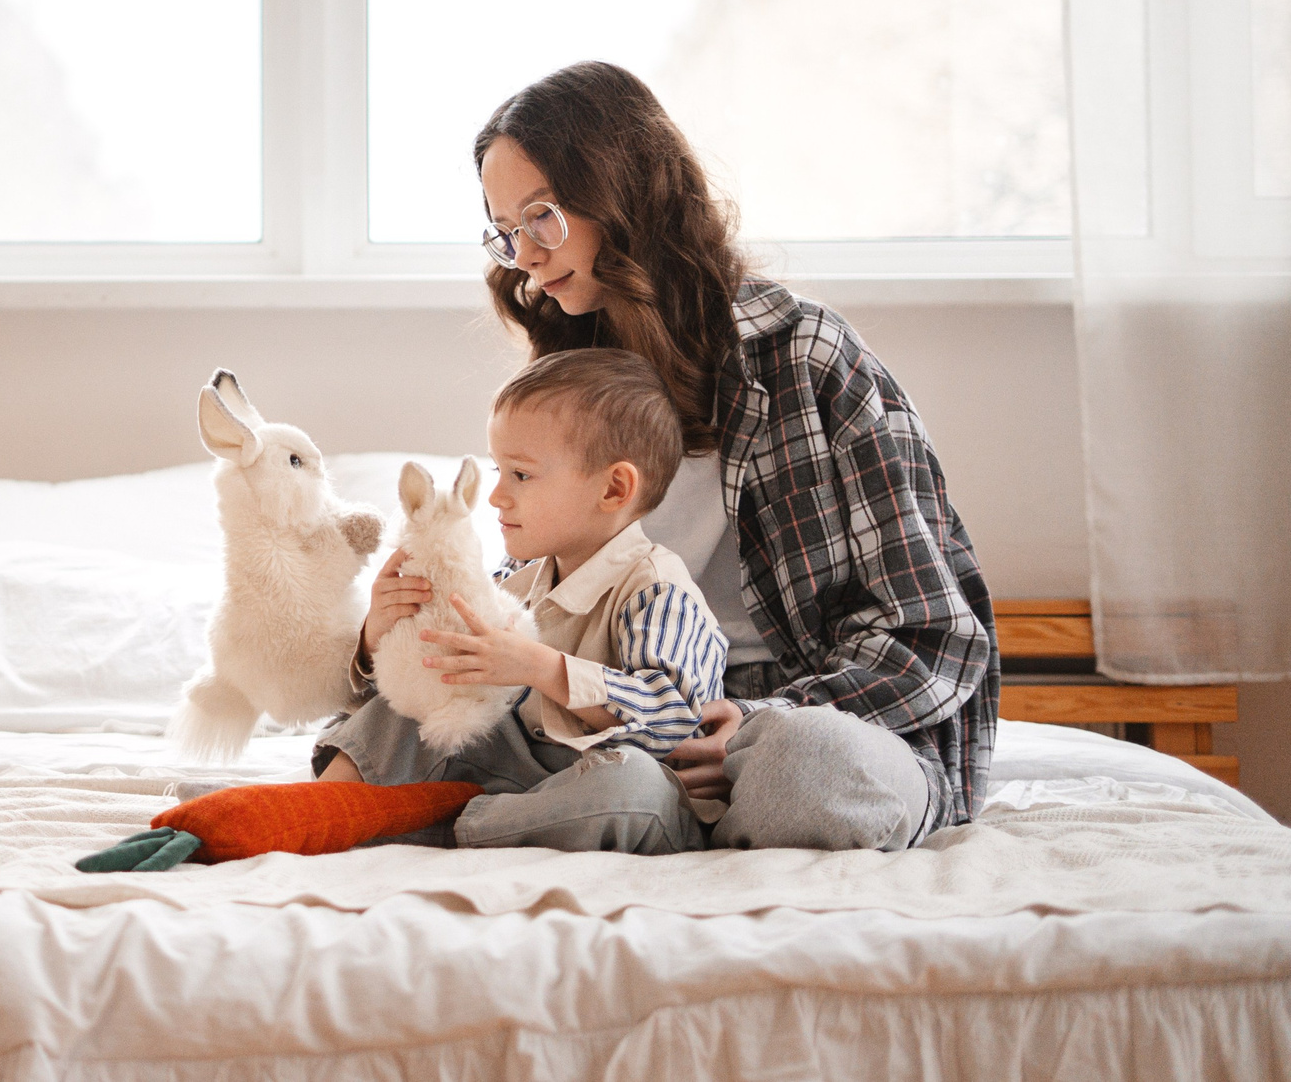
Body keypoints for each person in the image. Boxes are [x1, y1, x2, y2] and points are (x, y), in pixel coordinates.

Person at [357, 60, 998, 851]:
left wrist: (752, 722)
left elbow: (933, 635)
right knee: (410, 722)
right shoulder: (570, 385)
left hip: (791, 720)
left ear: (625, 193)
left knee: (806, 769)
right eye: (505, 230)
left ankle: (564, 814)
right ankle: (621, 809)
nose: (521, 254)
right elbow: (545, 601)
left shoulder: (805, 357)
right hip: (614, 721)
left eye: (542, 217)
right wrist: (406, 627)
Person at [317, 348, 728, 854]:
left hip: (603, 786)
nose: (494, 497)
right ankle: (316, 806)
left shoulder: (658, 589)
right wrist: (380, 634)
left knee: (634, 789)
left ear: (614, 488)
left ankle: (447, 823)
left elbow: (673, 724)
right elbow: (420, 689)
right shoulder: (517, 576)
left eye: (521, 475)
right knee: (426, 695)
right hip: (520, 771)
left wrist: (542, 667)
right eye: (496, 471)